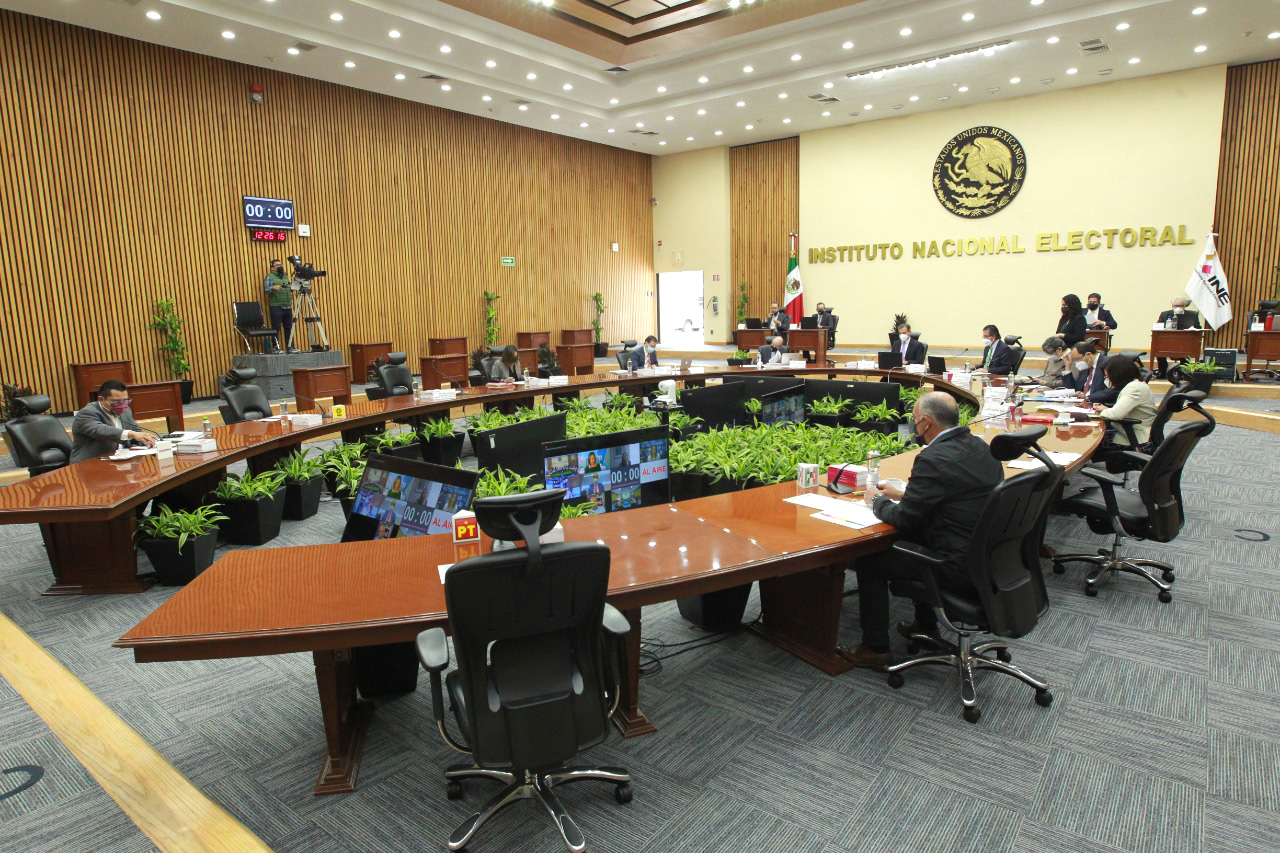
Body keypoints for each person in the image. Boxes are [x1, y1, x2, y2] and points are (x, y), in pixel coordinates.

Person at [837, 393, 1003, 669]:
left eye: (915, 420)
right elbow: (955, 494)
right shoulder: (981, 446)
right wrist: (905, 494)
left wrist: (877, 501)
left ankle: (875, 649)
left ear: (926, 423)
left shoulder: (933, 458)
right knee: (916, 540)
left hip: (953, 565)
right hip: (986, 558)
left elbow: (905, 518)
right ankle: (925, 626)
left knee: (870, 561)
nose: (914, 426)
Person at [70, 379, 157, 463]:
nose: (122, 405)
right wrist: (132, 434)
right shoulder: (86, 413)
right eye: (116, 401)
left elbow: (136, 431)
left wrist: (145, 441)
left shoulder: (125, 411)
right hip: (90, 464)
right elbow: (101, 430)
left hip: (120, 461)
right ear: (101, 399)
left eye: (125, 400)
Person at [1094, 355, 1156, 449]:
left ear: (1118, 375)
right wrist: (1107, 409)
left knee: (1090, 444)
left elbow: (1115, 415)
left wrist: (1103, 411)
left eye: (1107, 376)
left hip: (1132, 439)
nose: (1106, 379)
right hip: (1129, 434)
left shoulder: (1134, 388)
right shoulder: (1136, 384)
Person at [1155, 296, 1202, 377]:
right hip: (1168, 342)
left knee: (1186, 353)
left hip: (1186, 343)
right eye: (1176, 306)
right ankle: (1163, 372)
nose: (1178, 308)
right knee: (1159, 351)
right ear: (1172, 306)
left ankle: (1184, 374)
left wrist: (1193, 329)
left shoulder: (1192, 315)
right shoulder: (1165, 314)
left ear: (1185, 306)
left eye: (1180, 306)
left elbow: (1198, 328)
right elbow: (1158, 327)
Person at [1067, 341, 1118, 405]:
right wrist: (1068, 367)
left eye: (1077, 359)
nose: (1077, 362)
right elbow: (1073, 389)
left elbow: (1112, 391)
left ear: (1088, 354)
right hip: (1082, 403)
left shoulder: (1108, 363)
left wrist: (1088, 397)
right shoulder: (1086, 365)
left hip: (1100, 404)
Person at [264, 258, 295, 353]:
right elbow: (267, 289)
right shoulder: (269, 277)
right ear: (272, 268)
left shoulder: (285, 276)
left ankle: (290, 347)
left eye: (281, 265)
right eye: (277, 265)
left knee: (289, 327)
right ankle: (275, 347)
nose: (280, 266)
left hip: (287, 305)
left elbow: (289, 288)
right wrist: (273, 288)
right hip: (276, 305)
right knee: (276, 327)